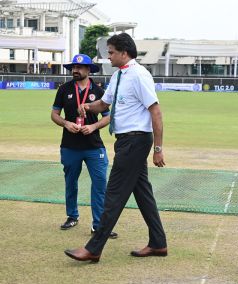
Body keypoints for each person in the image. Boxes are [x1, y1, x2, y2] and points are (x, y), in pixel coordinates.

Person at [64, 33, 167, 263]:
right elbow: (104, 104)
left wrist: (158, 148)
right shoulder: (119, 76)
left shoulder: (139, 75)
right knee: (143, 194)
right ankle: (158, 243)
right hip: (126, 141)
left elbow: (156, 112)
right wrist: (88, 106)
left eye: (110, 52)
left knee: (113, 194)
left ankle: (94, 248)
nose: (107, 56)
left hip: (136, 140)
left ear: (124, 52)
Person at [51, 54, 118, 239]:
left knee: (99, 185)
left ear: (89, 70)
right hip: (70, 145)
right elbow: (54, 114)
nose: (75, 70)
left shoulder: (98, 90)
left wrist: (93, 126)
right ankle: (72, 216)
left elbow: (107, 116)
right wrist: (66, 123)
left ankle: (99, 225)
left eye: (80, 67)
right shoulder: (64, 89)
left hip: (94, 146)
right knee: (70, 183)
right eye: (73, 67)